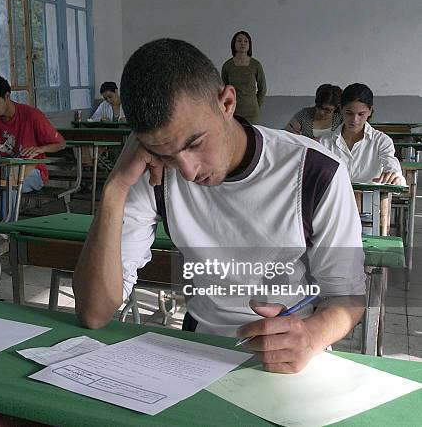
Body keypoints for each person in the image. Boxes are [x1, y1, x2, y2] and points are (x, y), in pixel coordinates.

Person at [73, 39, 366, 374]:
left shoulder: (316, 171)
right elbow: (94, 313)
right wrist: (115, 189)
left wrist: (311, 336)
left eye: (195, 143)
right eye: (166, 153)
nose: (186, 169)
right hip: (197, 350)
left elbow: (347, 297)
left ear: (227, 101)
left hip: (287, 351)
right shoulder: (151, 167)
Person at [0, 75, 66, 195]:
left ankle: (8, 215)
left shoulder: (32, 115)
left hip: (33, 172)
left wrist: (40, 149)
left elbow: (61, 143)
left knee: (9, 183)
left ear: (7, 95)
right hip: (2, 171)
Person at [320, 83, 405, 185]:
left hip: (369, 200)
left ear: (370, 111)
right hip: (335, 200)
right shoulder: (324, 142)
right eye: (349, 113)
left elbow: (393, 167)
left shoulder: (381, 141)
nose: (355, 120)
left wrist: (395, 177)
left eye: (361, 114)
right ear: (341, 109)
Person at [221, 31, 266, 124]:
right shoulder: (227, 65)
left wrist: (257, 105)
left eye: (246, 41)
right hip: (233, 111)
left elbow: (263, 88)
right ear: (234, 44)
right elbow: (223, 89)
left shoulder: (256, 65)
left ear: (250, 45)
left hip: (252, 112)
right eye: (239, 41)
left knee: (253, 137)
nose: (243, 43)